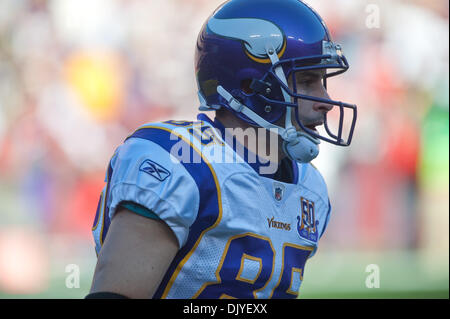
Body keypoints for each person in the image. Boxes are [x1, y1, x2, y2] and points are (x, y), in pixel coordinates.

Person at [87, 0, 357, 299]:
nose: (325, 100)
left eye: (322, 82)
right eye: (307, 82)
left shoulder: (311, 187)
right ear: (250, 85)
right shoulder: (181, 162)